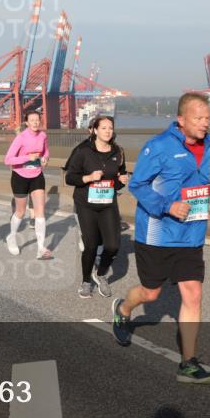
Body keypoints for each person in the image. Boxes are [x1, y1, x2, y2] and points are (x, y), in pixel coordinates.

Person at [113, 92, 210, 384]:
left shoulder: (207, 144)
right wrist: (167, 206)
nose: (205, 123)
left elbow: (198, 182)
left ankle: (188, 362)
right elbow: (138, 184)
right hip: (158, 234)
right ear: (181, 120)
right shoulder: (158, 146)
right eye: (198, 118)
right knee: (151, 293)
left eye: (207, 118)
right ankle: (123, 309)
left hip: (191, 234)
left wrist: (205, 204)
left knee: (193, 294)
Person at [64, 115, 129, 298]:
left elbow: (119, 179)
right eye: (104, 128)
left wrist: (122, 180)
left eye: (110, 128)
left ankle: (100, 273)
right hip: (86, 204)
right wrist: (88, 178)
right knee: (91, 245)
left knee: (113, 246)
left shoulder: (118, 152)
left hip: (107, 203)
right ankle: (85, 282)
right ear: (95, 130)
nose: (108, 131)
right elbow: (70, 178)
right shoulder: (83, 151)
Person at [4, 110, 52, 259]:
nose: (35, 122)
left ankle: (40, 248)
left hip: (37, 175)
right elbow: (8, 160)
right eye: (32, 120)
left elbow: (46, 152)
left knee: (40, 211)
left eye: (37, 120)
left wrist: (45, 159)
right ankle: (11, 237)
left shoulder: (43, 135)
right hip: (20, 176)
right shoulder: (21, 138)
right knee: (21, 211)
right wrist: (26, 158)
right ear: (27, 122)